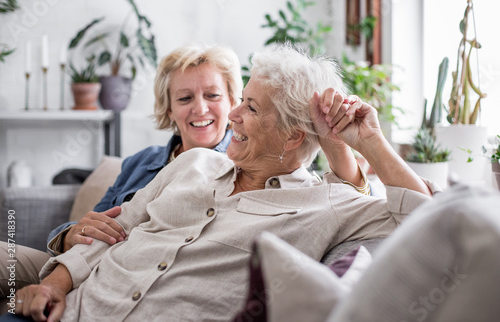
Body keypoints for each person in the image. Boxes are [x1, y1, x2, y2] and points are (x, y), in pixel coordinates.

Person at [7, 44, 430, 321]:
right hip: (71, 308)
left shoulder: (328, 204)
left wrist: (370, 141)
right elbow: (113, 230)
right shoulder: (194, 163)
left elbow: (425, 224)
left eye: (249, 107)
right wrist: (51, 286)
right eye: (240, 101)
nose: (232, 116)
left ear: (292, 136)